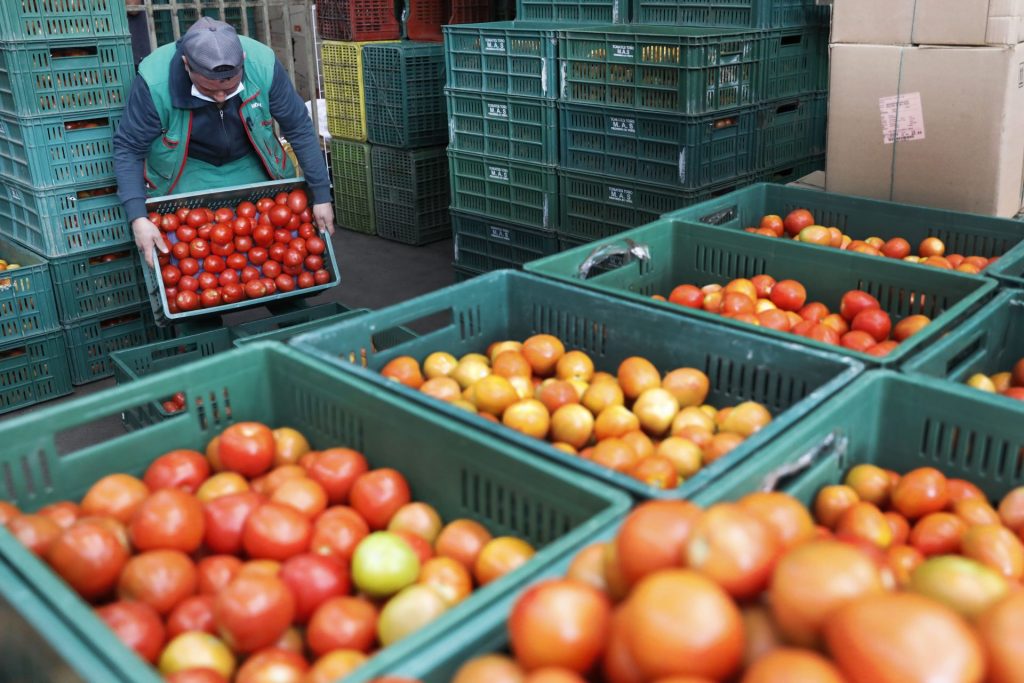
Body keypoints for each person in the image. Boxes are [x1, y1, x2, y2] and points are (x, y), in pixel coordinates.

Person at [114, 17, 334, 268]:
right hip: (187, 168)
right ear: (187, 65)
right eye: (209, 90)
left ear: (242, 59)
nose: (220, 97)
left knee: (276, 252)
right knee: (194, 262)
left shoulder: (262, 63)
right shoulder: (155, 81)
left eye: (229, 89)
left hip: (251, 161)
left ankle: (289, 303)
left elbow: (299, 127)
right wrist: (138, 217)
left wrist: (321, 194)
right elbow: (128, 148)